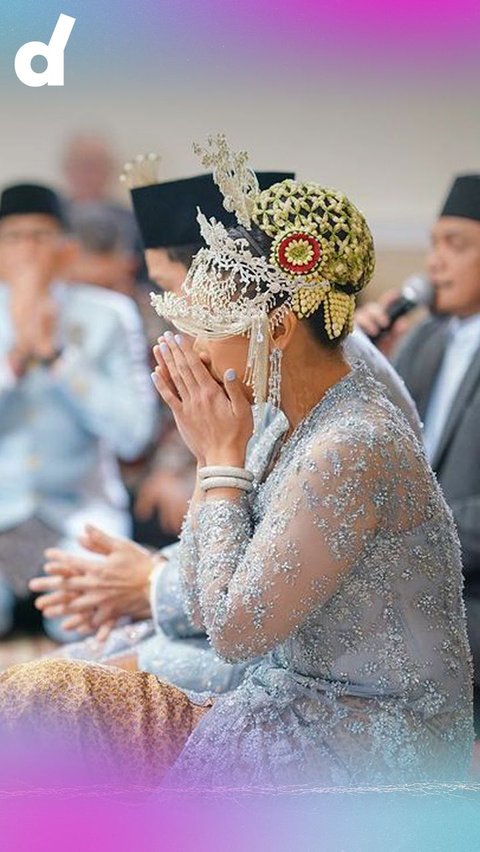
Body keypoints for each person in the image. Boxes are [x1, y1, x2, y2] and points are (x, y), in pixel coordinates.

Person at [0, 138, 472, 791]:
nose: (190, 345)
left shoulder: (352, 442)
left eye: (206, 322)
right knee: (43, 695)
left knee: (53, 707)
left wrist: (215, 461)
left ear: (275, 330)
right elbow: (205, 588)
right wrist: (215, 456)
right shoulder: (280, 412)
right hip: (284, 701)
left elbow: (233, 633)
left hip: (362, 742)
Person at [30, 166, 423, 700]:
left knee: (62, 693)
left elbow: (245, 617)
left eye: (173, 291)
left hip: (315, 668)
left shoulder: (325, 389)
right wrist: (154, 570)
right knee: (59, 674)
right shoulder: (262, 375)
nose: (186, 337)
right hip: (261, 628)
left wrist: (149, 583)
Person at [0, 183, 157, 639]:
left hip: (80, 514)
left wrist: (56, 358)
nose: (29, 251)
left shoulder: (109, 315)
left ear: (66, 248)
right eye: (14, 238)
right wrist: (14, 363)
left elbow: (133, 433)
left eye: (42, 237)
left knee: (83, 626)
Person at [389, 174, 480, 725]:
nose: (435, 263)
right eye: (433, 244)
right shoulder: (424, 337)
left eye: (458, 245)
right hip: (404, 586)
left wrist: (410, 531)